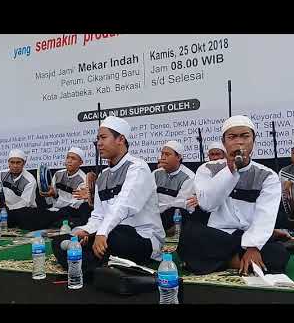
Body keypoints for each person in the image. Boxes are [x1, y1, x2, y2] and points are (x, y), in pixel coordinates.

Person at [51, 116, 165, 277]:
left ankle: (90, 266)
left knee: (114, 238)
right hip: (108, 233)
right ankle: (101, 267)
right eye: (98, 138)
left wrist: (101, 233)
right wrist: (85, 231)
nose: (99, 143)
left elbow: (124, 205)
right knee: (61, 240)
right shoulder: (103, 175)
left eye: (103, 138)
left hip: (141, 237)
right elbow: (98, 215)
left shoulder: (137, 168)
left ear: (121, 139)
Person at [177, 115, 290, 275]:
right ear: (224, 143)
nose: (239, 142)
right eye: (232, 137)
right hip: (217, 235)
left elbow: (265, 214)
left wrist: (253, 246)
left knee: (278, 255)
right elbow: (207, 204)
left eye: (245, 136)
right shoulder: (208, 169)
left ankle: (219, 261)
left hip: (248, 234)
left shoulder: (268, 176)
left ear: (253, 140)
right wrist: (230, 170)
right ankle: (237, 261)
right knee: (190, 235)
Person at [0, 149, 37, 230]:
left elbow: (26, 203)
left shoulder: (30, 180)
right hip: (4, 209)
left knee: (23, 215)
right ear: (8, 163)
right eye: (12, 162)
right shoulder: (2, 174)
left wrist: (8, 211)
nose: (15, 165)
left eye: (18, 162)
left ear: (24, 163)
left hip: (22, 210)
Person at [37, 147, 91, 228]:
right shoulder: (58, 174)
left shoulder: (83, 179)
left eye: (73, 158)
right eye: (68, 157)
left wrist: (56, 196)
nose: (69, 160)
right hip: (55, 210)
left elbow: (75, 204)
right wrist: (47, 194)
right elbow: (50, 200)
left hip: (70, 212)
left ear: (81, 162)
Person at [153, 140, 196, 236]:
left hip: (172, 217)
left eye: (167, 154)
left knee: (176, 212)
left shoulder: (188, 177)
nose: (163, 157)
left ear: (179, 157)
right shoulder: (156, 173)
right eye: (162, 154)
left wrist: (159, 209)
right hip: (155, 214)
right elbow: (149, 197)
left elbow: (181, 204)